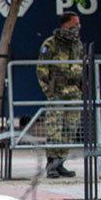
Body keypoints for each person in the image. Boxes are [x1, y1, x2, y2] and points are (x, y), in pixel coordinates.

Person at [37, 12, 83, 178]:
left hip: (74, 93)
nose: (78, 27)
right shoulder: (52, 43)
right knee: (55, 129)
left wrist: (81, 89)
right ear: (65, 25)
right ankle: (52, 163)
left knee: (70, 130)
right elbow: (41, 69)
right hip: (57, 93)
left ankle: (61, 162)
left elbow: (81, 66)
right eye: (75, 24)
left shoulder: (77, 44)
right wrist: (49, 92)